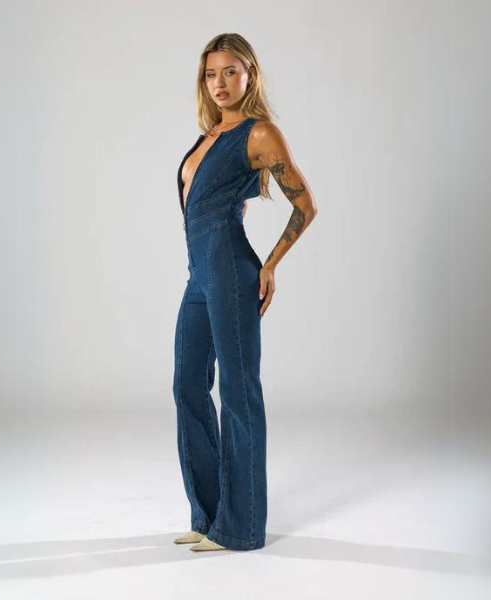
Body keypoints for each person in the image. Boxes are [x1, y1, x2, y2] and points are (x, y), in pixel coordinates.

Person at [172, 33, 318, 552]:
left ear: (249, 75)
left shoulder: (258, 134)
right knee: (188, 385)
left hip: (233, 273)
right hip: (199, 276)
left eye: (230, 72)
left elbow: (305, 205)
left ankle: (242, 527)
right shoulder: (209, 135)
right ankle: (209, 515)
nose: (220, 83)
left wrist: (270, 265)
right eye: (211, 74)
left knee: (238, 393)